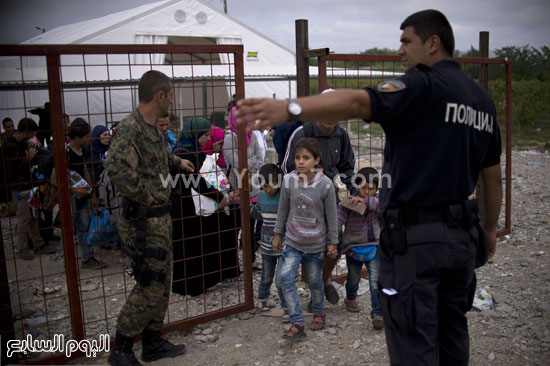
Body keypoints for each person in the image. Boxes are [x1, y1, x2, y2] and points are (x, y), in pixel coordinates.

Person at [236, 9, 503, 365]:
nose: (400, 51)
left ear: (433, 42)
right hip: (460, 241)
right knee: (452, 335)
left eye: (407, 41)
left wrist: (290, 107)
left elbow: (360, 101)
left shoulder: (422, 85)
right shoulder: (480, 99)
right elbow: (491, 176)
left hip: (416, 244)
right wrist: (488, 229)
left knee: (413, 342)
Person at [105, 70, 193, 366]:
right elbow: (115, 167)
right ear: (161, 96)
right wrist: (142, 193)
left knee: (163, 278)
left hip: (159, 218)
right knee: (150, 283)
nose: (171, 101)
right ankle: (121, 347)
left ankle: (153, 341)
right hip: (142, 221)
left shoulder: (151, 127)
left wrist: (177, 160)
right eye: (170, 95)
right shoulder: (130, 127)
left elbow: (154, 159)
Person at [282, 94, 356, 307]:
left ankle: (323, 279)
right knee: (306, 241)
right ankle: (313, 285)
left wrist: (354, 189)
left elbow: (347, 166)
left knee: (335, 241)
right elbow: (287, 166)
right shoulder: (302, 132)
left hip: (328, 194)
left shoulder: (341, 135)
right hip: (302, 195)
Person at [273, 137, 338, 339]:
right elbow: (283, 209)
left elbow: (332, 217)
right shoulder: (288, 180)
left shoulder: (326, 185)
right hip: (293, 241)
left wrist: (332, 242)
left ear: (317, 160)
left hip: (316, 244)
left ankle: (319, 313)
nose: (300, 161)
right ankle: (297, 322)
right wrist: (277, 234)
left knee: (315, 281)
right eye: (297, 157)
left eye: (306, 158)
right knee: (284, 278)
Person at [171, 117, 239, 297]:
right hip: (184, 205)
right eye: (206, 135)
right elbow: (195, 181)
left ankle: (197, 282)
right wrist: (219, 197)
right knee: (190, 246)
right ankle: (191, 286)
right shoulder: (183, 153)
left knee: (196, 245)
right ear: (196, 134)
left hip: (193, 203)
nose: (208, 139)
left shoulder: (192, 150)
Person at [3, 118, 56, 260]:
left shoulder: (22, 144)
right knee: (23, 218)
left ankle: (39, 244)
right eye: (31, 133)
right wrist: (28, 159)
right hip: (19, 188)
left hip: (29, 185)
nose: (32, 136)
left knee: (33, 216)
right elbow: (11, 170)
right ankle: (22, 248)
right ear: (26, 131)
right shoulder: (8, 147)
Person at [339, 167, 383, 330]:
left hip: (374, 246)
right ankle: (350, 298)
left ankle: (378, 313)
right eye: (363, 188)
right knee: (353, 278)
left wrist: (365, 201)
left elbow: (381, 206)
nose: (366, 192)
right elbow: (339, 219)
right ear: (356, 186)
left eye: (370, 189)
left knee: (375, 282)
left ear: (376, 189)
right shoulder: (350, 202)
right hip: (353, 247)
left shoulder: (377, 201)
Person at [222, 106, 264, 270]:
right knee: (234, 228)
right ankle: (232, 266)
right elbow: (238, 164)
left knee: (250, 228)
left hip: (252, 188)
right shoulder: (230, 137)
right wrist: (250, 161)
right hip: (236, 189)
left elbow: (260, 158)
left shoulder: (252, 135)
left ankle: (250, 261)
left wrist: (249, 162)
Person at [63, 118, 106, 269]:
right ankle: (67, 258)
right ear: (76, 138)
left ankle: (87, 257)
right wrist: (74, 190)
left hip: (82, 194)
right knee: (69, 228)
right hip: (70, 196)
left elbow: (85, 170)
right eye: (86, 137)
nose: (89, 139)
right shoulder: (65, 153)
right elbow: (55, 179)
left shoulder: (82, 151)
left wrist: (91, 192)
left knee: (83, 226)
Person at [250, 163, 286, 311]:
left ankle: (286, 305)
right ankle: (263, 299)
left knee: (282, 279)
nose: (269, 189)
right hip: (266, 245)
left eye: (272, 185)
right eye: (265, 186)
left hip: (284, 245)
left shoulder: (284, 196)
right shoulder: (261, 196)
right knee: (266, 275)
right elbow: (257, 214)